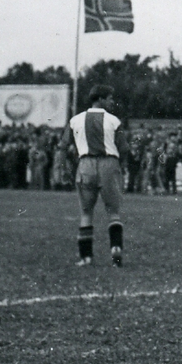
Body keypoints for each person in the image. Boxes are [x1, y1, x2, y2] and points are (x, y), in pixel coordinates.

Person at [61, 85, 126, 266]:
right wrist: (121, 166)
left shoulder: (75, 120)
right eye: (110, 98)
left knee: (86, 213)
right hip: (109, 163)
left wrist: (64, 168)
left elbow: (63, 146)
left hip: (85, 164)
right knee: (113, 212)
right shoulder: (114, 121)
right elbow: (124, 148)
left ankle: (86, 257)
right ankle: (115, 247)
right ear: (101, 99)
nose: (112, 102)